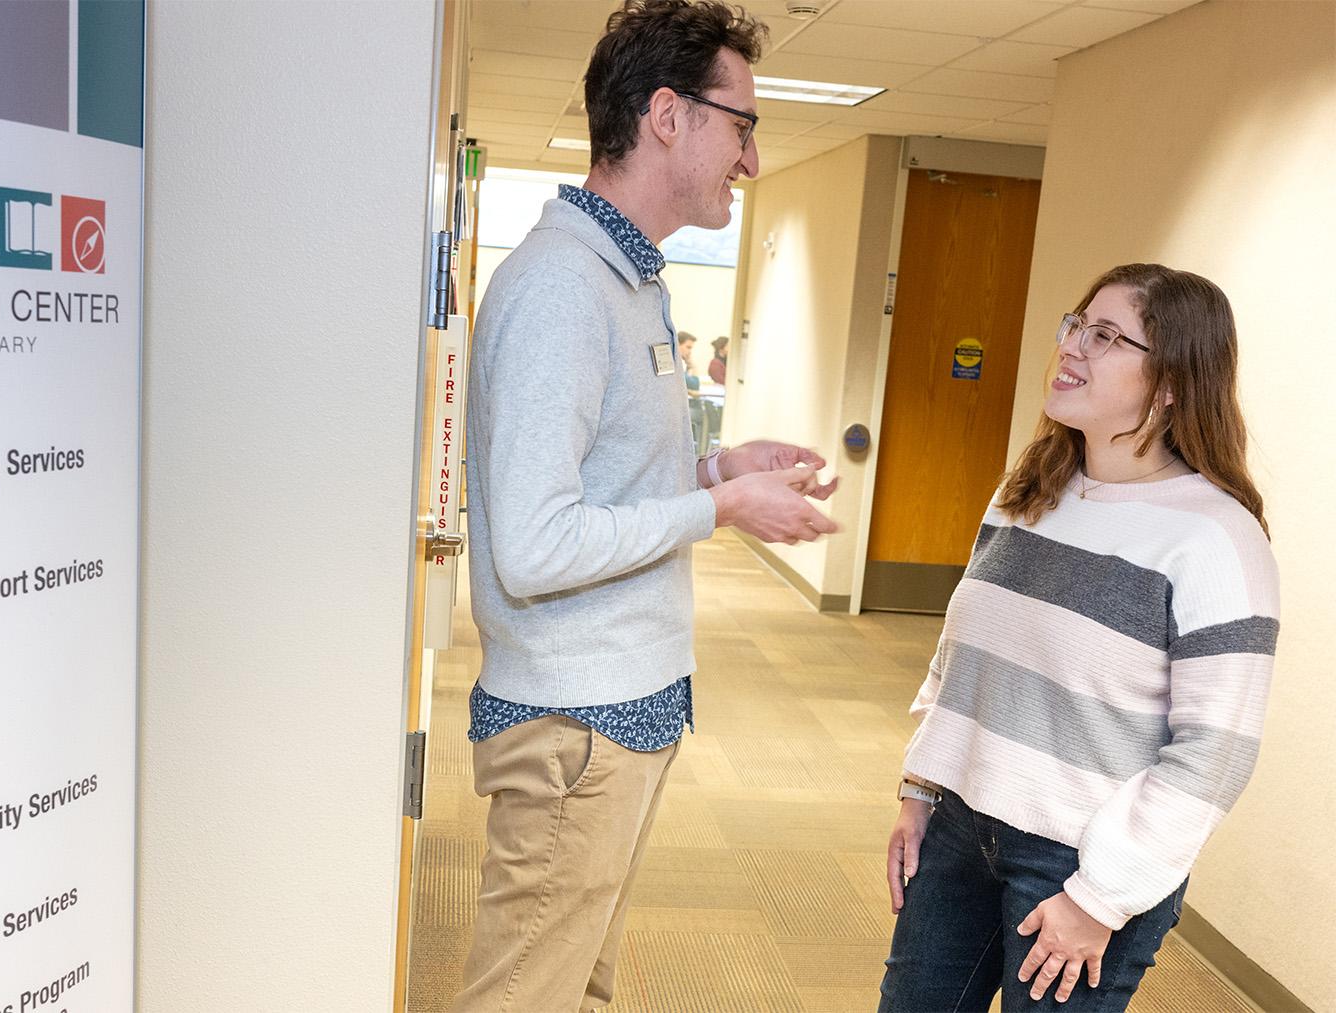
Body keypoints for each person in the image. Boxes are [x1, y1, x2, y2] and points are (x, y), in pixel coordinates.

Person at [457, 3, 840, 1009]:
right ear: (667, 116)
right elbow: (536, 546)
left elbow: (607, 483)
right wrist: (718, 514)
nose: (749, 160)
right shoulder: (563, 292)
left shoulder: (626, 280)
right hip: (574, 720)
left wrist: (719, 472)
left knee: (575, 989)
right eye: (742, 124)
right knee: (521, 995)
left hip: (618, 712)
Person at [879, 264, 1280, 1012]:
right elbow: (962, 663)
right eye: (1076, 324)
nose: (1073, 346)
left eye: (1107, 336)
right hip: (963, 825)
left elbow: (1215, 752)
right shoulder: (1029, 491)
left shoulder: (1217, 538)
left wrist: (1100, 898)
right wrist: (921, 788)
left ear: (1169, 384)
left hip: (1084, 858)